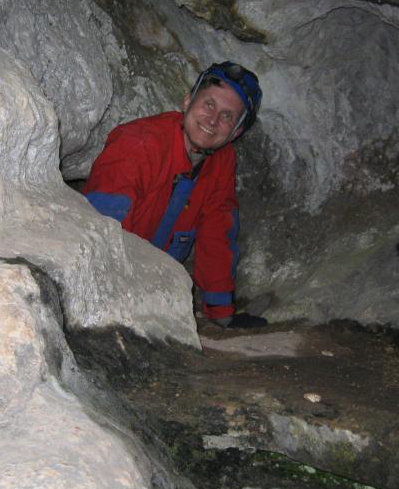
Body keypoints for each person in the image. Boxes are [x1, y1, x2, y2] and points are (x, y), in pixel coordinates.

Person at [83, 61, 267, 328]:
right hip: (106, 280)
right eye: (208, 104)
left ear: (236, 132)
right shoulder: (138, 144)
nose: (213, 120)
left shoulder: (221, 162)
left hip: (152, 286)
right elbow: (103, 227)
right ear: (188, 101)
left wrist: (221, 312)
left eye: (227, 116)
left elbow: (217, 233)